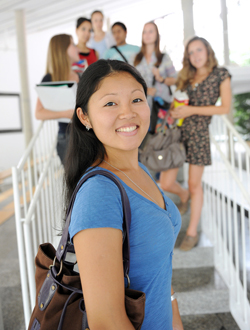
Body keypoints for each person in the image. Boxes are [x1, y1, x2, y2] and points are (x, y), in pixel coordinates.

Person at [64, 59, 183, 330]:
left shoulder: (138, 168)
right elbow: (106, 322)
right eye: (110, 103)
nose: (128, 113)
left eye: (137, 100)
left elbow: (159, 269)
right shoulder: (99, 193)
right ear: (85, 117)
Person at [160, 36, 232, 251]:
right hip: (178, 134)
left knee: (194, 184)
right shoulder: (186, 75)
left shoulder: (221, 74)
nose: (195, 56)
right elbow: (176, 103)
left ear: (208, 51)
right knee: (165, 182)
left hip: (199, 134)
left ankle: (192, 232)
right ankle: (183, 197)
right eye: (191, 53)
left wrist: (191, 110)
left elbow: (224, 108)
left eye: (199, 50)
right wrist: (175, 110)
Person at [35, 34, 80, 164]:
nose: (77, 49)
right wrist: (66, 114)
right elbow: (39, 113)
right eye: (73, 44)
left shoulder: (81, 75)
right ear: (63, 49)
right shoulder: (50, 79)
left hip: (87, 134)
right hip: (68, 138)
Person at [134, 22, 177, 117]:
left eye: (150, 31)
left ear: (157, 35)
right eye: (144, 32)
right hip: (140, 105)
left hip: (161, 105)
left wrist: (161, 79)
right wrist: (145, 90)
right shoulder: (135, 58)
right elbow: (129, 82)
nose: (147, 35)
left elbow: (175, 80)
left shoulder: (164, 57)